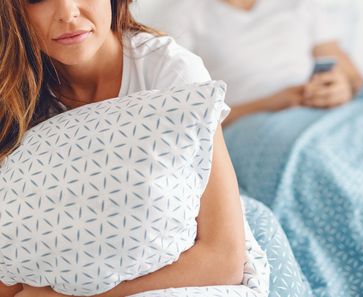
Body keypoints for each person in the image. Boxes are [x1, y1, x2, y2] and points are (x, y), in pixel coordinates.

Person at [0, 0, 246, 296]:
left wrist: (65, 295)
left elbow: (225, 260)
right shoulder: (10, 96)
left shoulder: (172, 73)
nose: (68, 12)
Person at [168, 0, 363, 126]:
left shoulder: (301, 4)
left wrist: (342, 89)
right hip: (251, 125)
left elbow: (354, 78)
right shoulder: (188, 13)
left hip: (319, 111)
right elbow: (187, 117)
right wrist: (270, 104)